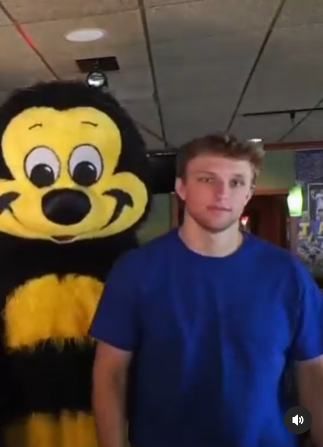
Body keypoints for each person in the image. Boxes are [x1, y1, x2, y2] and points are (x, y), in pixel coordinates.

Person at [89, 134, 323, 447]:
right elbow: (110, 375)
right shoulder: (135, 271)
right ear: (182, 187)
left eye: (237, 182)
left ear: (249, 193)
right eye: (207, 179)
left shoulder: (286, 274)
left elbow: (312, 371)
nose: (222, 193)